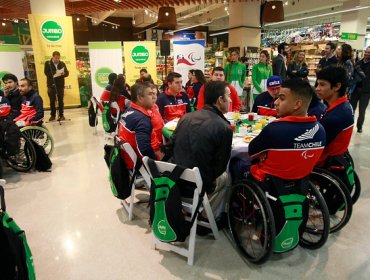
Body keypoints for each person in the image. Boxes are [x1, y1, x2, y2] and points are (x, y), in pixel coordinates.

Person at [248, 78, 326, 183]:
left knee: (236, 164)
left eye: (282, 98)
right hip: (302, 182)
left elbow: (251, 151)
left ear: (297, 104)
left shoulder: (274, 129)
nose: (275, 102)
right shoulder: (320, 130)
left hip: (269, 182)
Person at [169, 81, 233, 195]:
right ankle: (211, 211)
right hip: (197, 187)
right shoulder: (224, 128)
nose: (230, 100)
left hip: (175, 178)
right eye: (228, 96)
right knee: (227, 177)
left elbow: (170, 146)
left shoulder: (185, 117)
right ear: (220, 99)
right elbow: (220, 168)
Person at [315, 66, 353, 166]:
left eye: (322, 85)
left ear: (337, 86)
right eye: (317, 84)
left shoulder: (335, 116)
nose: (317, 88)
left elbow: (315, 143)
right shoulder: (345, 105)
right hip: (337, 155)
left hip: (323, 160)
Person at [119, 82, 157, 159]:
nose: (154, 97)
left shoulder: (129, 110)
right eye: (150, 94)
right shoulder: (142, 120)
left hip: (125, 158)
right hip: (139, 164)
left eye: (154, 94)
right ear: (139, 98)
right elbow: (145, 151)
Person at [44, 51, 69, 121]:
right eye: (56, 58)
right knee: (52, 101)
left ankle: (61, 115)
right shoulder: (48, 63)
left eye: (58, 58)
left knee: (60, 101)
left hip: (60, 85)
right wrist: (56, 73)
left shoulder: (62, 63)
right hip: (51, 85)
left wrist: (63, 73)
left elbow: (67, 73)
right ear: (52, 57)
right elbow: (46, 73)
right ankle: (53, 115)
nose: (57, 59)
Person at [350, 46, 370, 133]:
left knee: (362, 111)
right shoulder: (358, 63)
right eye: (366, 52)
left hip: (366, 91)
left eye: (369, 53)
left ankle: (359, 127)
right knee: (352, 109)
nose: (367, 54)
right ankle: (350, 125)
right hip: (356, 89)